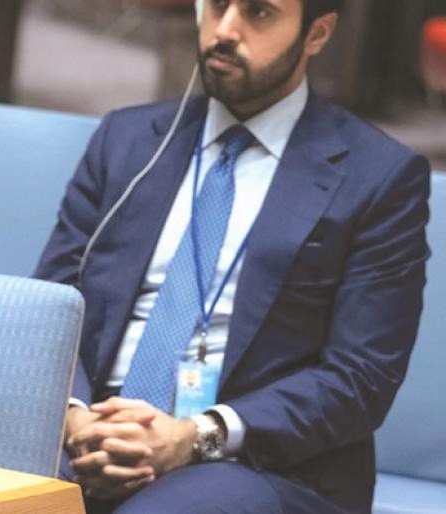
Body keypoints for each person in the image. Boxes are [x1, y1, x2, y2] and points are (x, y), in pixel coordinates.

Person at [34, 0, 429, 512]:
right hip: (93, 429)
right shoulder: (126, 140)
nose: (224, 30)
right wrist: (75, 418)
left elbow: (360, 376)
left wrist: (193, 436)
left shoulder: (376, 177)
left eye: (259, 13)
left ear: (317, 33)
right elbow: (51, 306)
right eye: (218, 5)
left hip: (258, 463)